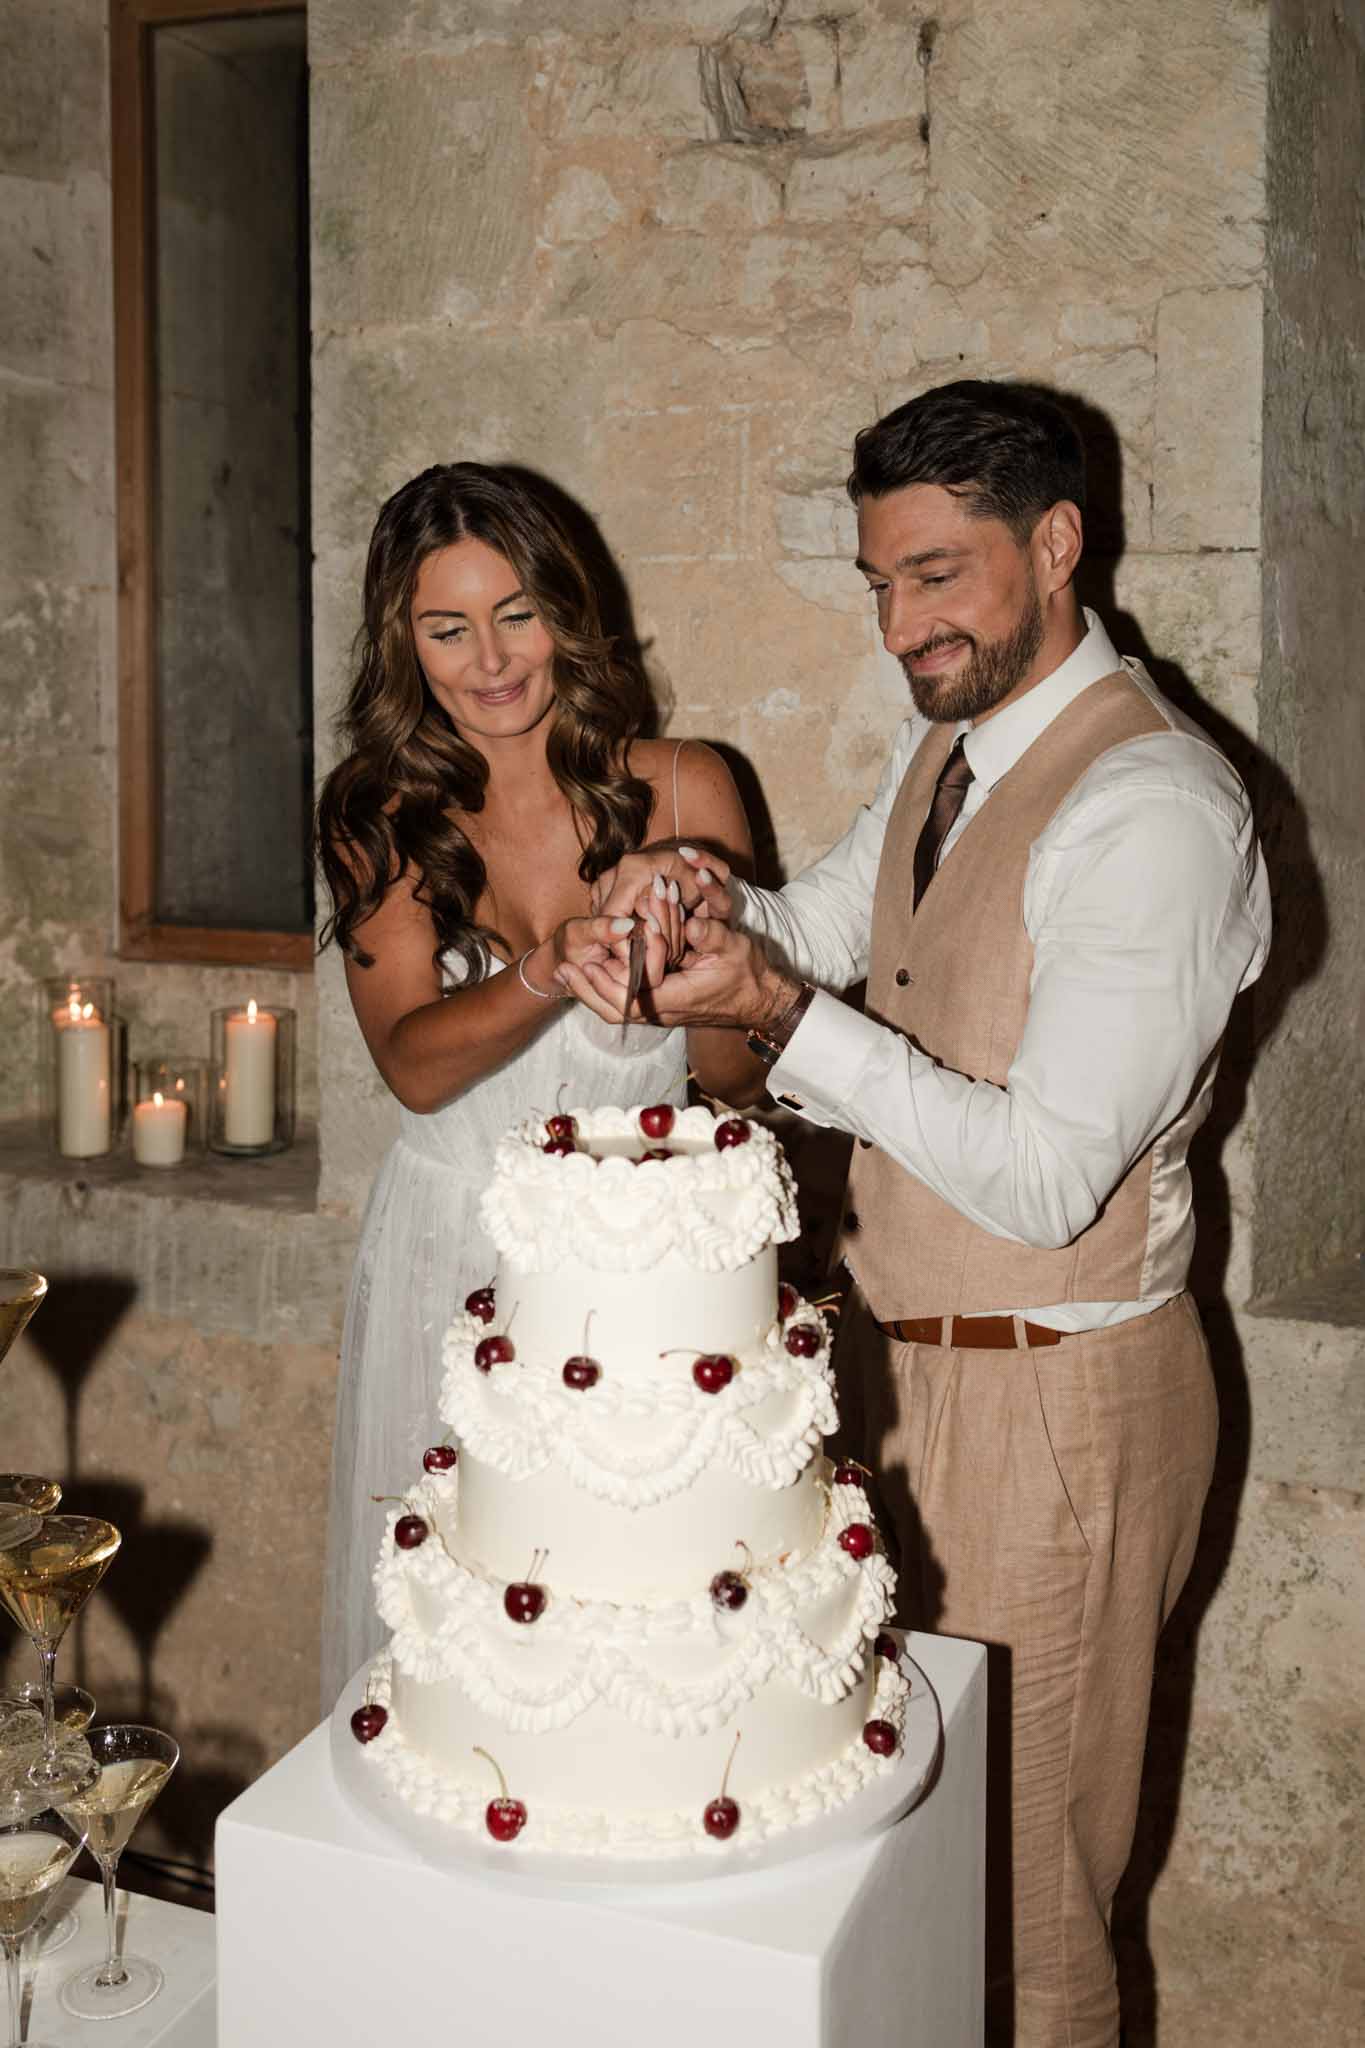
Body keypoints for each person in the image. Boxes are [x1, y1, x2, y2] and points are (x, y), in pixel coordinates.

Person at [560, 382, 1271, 2048]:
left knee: (1028, 1918)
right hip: (912, 1371)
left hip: (1062, 1404)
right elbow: (829, 921)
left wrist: (786, 1019)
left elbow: (1041, 1176)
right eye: (880, 581)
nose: (904, 624)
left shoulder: (1156, 809)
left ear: (1060, 543)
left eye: (940, 575)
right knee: (906, 1877)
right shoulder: (951, 742)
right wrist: (700, 896)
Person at [315, 462, 753, 1709]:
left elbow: (732, 1082)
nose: (491, 658)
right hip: (452, 1254)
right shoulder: (377, 816)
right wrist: (552, 966)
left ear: (566, 609)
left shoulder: (684, 784)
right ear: (405, 645)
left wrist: (705, 966)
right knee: (454, 1647)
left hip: (640, 1269)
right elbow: (409, 1060)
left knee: (632, 1643)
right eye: (447, 628)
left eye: (516, 612)